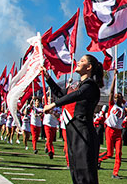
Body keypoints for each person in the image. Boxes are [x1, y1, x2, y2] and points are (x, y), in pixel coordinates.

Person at [44, 54, 104, 184]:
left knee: (86, 176)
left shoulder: (90, 86)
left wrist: (54, 104)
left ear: (89, 67)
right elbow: (61, 94)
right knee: (76, 175)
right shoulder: (76, 85)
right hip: (73, 134)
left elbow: (79, 94)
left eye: (82, 61)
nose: (78, 62)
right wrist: (48, 78)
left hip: (84, 134)